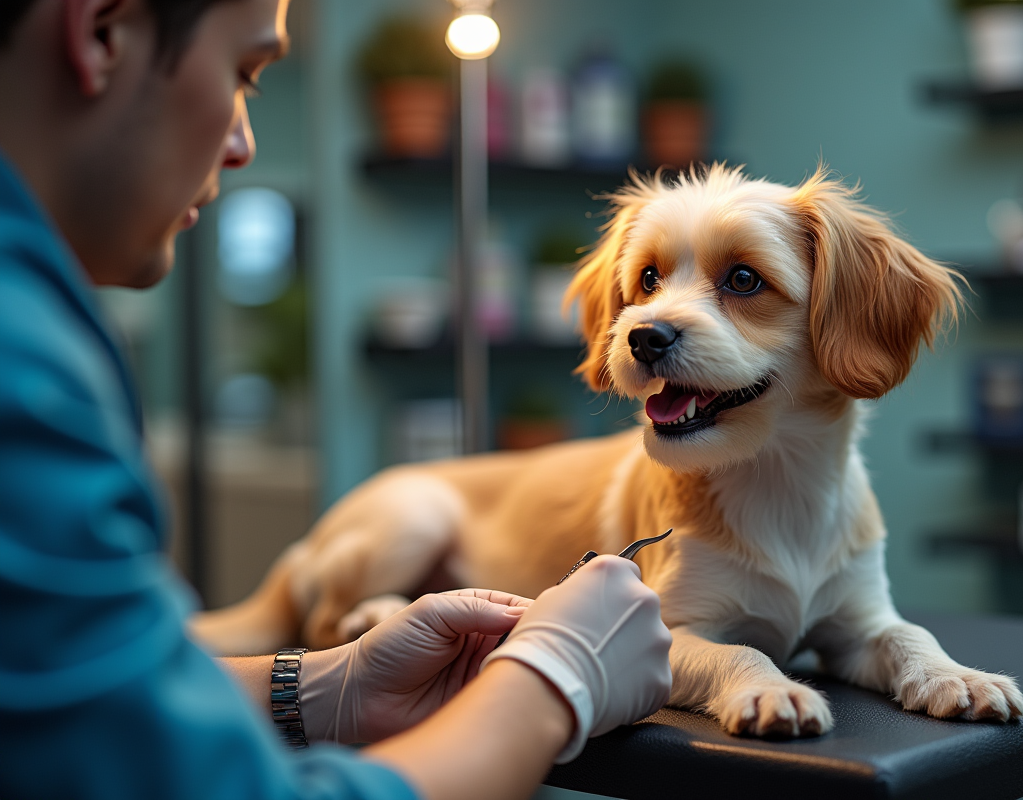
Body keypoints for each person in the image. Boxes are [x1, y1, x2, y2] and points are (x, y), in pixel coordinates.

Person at [0, 2, 673, 799]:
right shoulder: (23, 369)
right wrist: (551, 678)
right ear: (104, 32)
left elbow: (70, 707)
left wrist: (321, 686)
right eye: (245, 73)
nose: (245, 143)